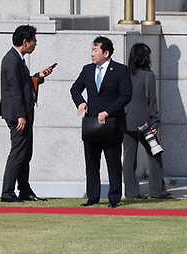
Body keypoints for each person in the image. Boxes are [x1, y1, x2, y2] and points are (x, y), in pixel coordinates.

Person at [71, 36, 132, 209]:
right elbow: (75, 88)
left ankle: (114, 198)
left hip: (112, 123)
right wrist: (80, 102)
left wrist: (108, 112)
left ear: (106, 53)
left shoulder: (120, 70)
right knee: (91, 162)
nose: (92, 54)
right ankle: (92, 197)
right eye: (92, 50)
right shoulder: (88, 70)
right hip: (92, 124)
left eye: (95, 50)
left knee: (113, 162)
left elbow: (126, 95)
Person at [0, 25, 55, 202]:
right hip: (18, 115)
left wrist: (38, 76)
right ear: (25, 42)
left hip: (23, 113)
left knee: (25, 153)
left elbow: (23, 84)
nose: (35, 44)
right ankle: (8, 192)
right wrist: (20, 116)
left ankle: (24, 189)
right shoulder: (12, 60)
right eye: (34, 41)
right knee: (18, 153)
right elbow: (14, 90)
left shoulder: (18, 59)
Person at [123, 42, 170, 200]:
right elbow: (151, 100)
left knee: (129, 159)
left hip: (126, 120)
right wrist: (155, 121)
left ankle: (131, 192)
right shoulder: (148, 75)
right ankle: (157, 191)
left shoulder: (125, 74)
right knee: (155, 155)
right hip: (144, 123)